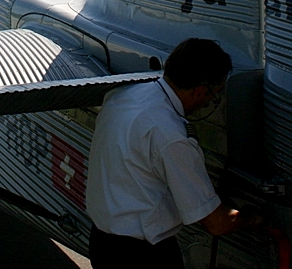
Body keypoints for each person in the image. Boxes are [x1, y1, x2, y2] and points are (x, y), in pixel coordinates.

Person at [85, 38, 260, 269]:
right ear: (200, 91)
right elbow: (217, 223)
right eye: (214, 95)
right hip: (142, 255)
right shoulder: (172, 136)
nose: (210, 101)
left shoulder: (123, 96)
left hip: (102, 243)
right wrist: (253, 217)